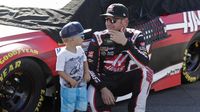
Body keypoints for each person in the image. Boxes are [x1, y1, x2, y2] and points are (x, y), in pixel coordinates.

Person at [87, 3, 153, 112]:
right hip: (104, 82)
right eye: (107, 19)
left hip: (124, 80)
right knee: (92, 105)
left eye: (113, 20)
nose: (108, 23)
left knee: (147, 73)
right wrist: (103, 88)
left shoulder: (135, 35)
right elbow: (90, 68)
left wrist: (126, 44)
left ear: (125, 22)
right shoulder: (98, 37)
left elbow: (144, 62)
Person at [56, 21, 91, 112]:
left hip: (81, 84)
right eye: (82, 36)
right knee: (68, 105)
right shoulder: (62, 54)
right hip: (68, 87)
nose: (83, 38)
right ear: (72, 39)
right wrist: (70, 80)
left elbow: (84, 61)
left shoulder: (80, 49)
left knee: (82, 102)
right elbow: (60, 71)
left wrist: (87, 73)